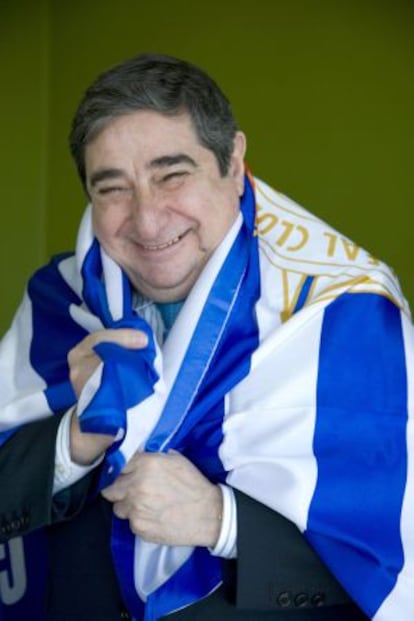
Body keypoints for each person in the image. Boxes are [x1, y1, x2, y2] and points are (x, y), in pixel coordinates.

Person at [0, 53, 412, 621]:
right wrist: (73, 441)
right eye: (113, 188)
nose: (146, 221)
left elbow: (388, 554)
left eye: (172, 175)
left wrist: (223, 521)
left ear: (234, 160)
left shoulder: (344, 314)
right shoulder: (59, 298)